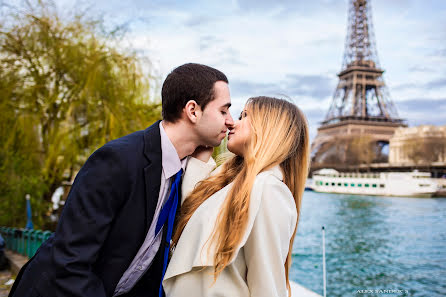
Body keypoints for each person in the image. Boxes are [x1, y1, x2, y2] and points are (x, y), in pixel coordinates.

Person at [9, 63, 234, 297]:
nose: (230, 121)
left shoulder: (182, 170)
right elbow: (70, 262)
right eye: (223, 111)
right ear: (193, 111)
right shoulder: (117, 160)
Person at [163, 96, 310, 297]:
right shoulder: (230, 183)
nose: (232, 122)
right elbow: (190, 224)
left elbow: (266, 284)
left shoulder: (269, 190)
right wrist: (202, 154)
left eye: (245, 116)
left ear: (267, 127)